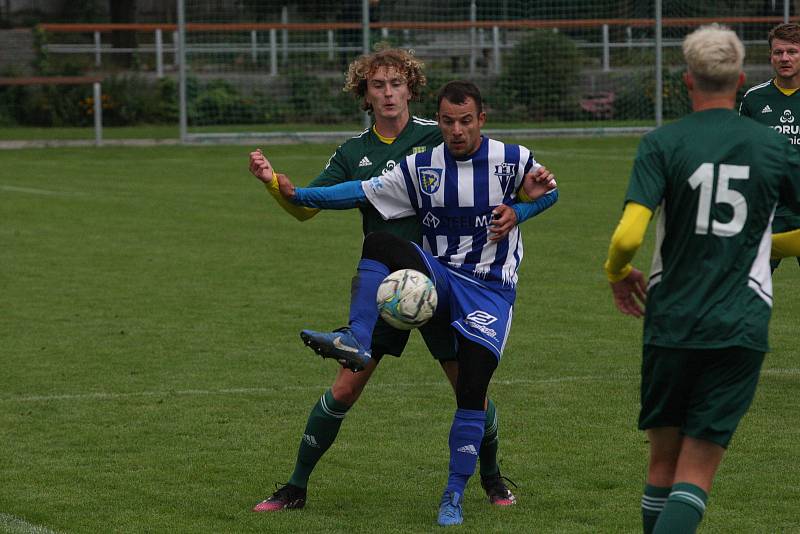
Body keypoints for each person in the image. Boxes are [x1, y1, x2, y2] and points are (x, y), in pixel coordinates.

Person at [248, 49, 533, 512]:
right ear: (364, 94)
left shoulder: (439, 133)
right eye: (376, 85)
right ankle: (295, 487)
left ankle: (493, 478)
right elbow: (306, 209)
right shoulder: (353, 153)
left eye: (395, 83)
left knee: (471, 390)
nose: (387, 93)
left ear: (411, 88)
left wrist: (524, 204)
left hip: (446, 285)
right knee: (344, 388)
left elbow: (496, 173)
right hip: (389, 291)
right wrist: (274, 183)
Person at [604, 24, 800, 534]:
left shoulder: (661, 142)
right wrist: (764, 243)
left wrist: (618, 273)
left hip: (671, 318)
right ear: (739, 81)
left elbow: (628, 236)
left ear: (688, 80)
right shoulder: (774, 148)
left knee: (661, 467)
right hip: (739, 322)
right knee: (695, 475)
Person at [739, 22, 800, 272]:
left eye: (792, 51)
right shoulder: (754, 99)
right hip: (766, 211)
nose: (785, 58)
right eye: (778, 52)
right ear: (771, 56)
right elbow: (741, 154)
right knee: (747, 289)